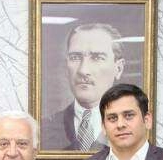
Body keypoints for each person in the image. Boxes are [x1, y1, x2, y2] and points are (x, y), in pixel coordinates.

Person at [42, 23, 125, 151]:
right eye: (75, 57)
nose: (83, 70)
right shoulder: (44, 128)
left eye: (97, 58)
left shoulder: (134, 129)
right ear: (66, 66)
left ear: (118, 68)